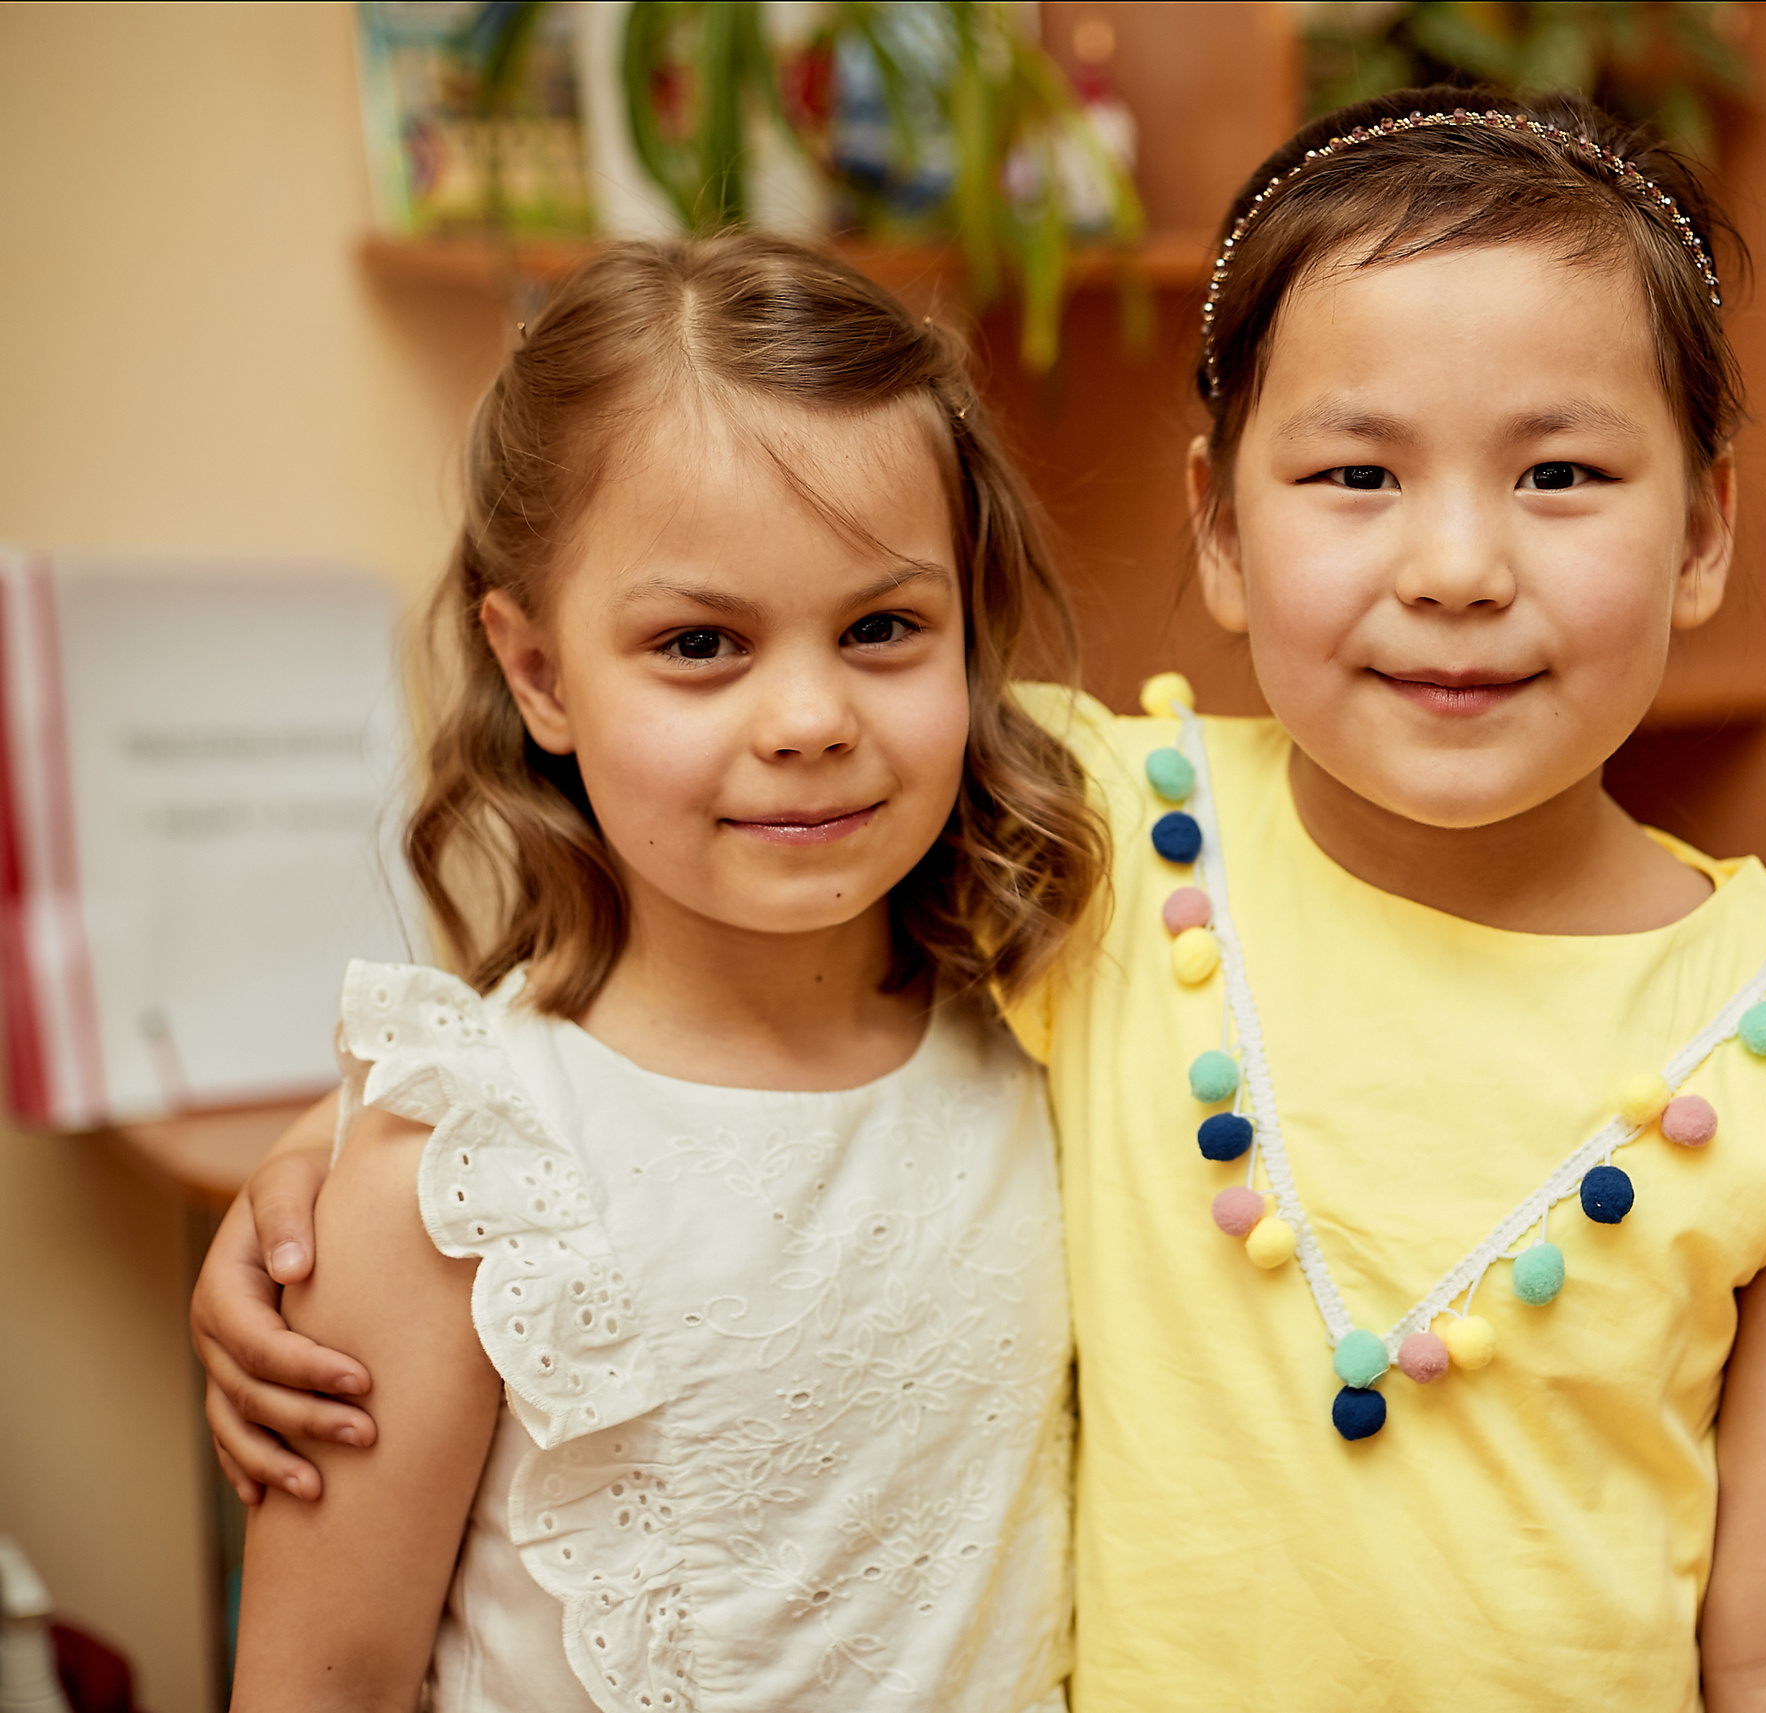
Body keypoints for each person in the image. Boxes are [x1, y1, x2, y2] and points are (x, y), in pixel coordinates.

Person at [194, 94, 1766, 1711]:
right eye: (1359, 472)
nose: (1457, 568)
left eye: (1563, 474)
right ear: (1219, 527)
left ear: (1702, 532)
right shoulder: (1112, 840)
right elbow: (694, 1002)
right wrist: (345, 1180)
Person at [226, 232, 1107, 1712]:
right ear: (540, 673)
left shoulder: (1054, 1028)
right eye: (702, 642)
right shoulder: (451, 1174)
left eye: (885, 626)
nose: (811, 715)